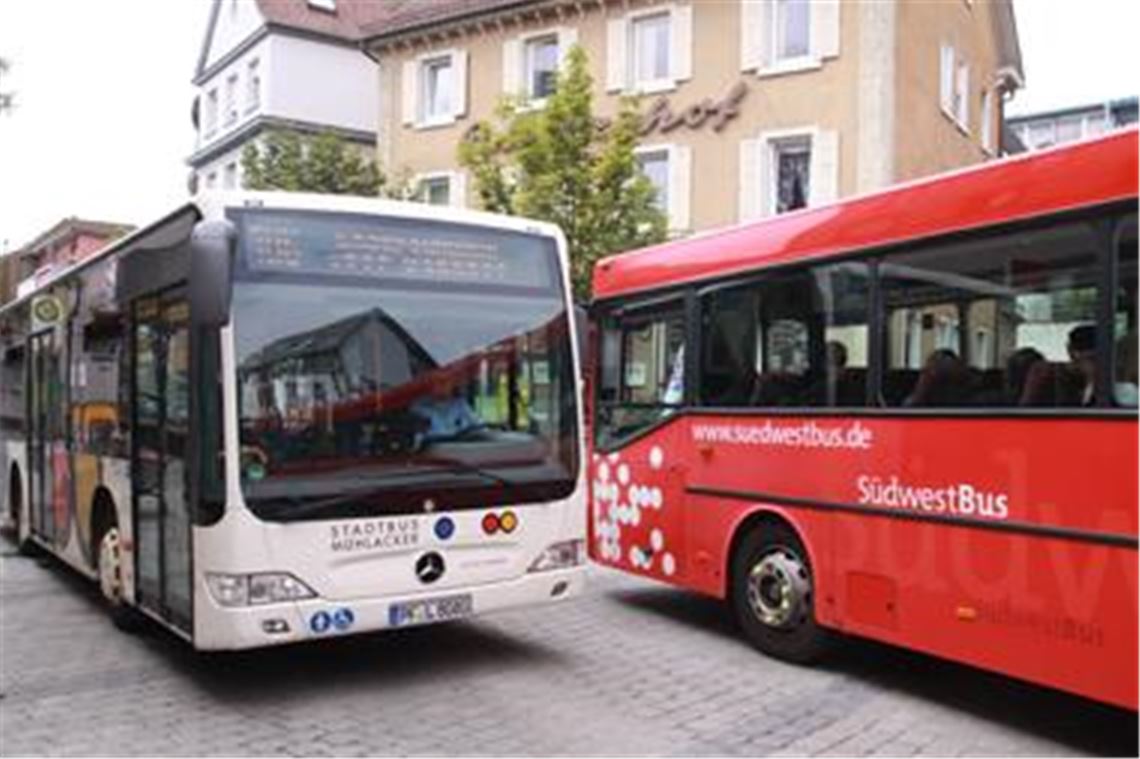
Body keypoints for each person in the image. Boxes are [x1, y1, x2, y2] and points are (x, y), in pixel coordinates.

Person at [411, 371, 482, 443]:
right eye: (438, 383)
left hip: (461, 447)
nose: (442, 387)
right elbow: (419, 437)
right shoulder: (419, 408)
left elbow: (477, 424)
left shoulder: (460, 404)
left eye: (446, 382)